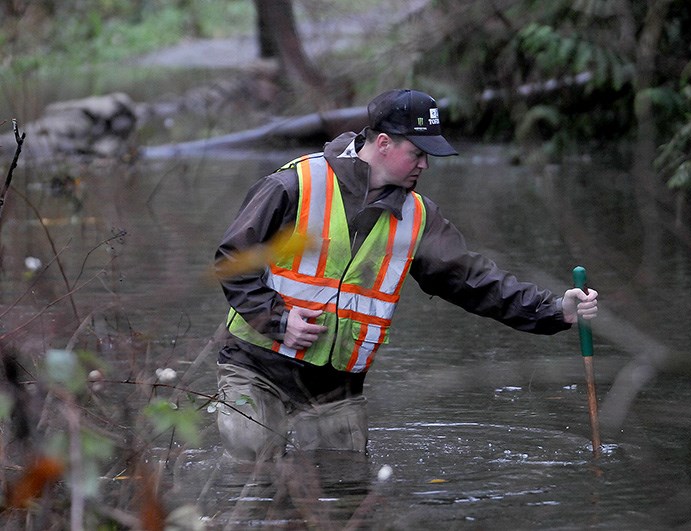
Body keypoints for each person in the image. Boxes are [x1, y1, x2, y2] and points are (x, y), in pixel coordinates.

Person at [214, 89, 599, 461]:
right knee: (255, 456)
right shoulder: (294, 184)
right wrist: (279, 320)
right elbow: (232, 259)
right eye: (417, 153)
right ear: (383, 143)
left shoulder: (418, 217)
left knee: (340, 485)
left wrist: (554, 310)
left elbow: (474, 280)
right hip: (257, 366)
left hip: (334, 389)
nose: (425, 165)